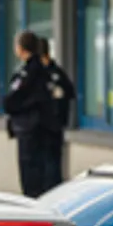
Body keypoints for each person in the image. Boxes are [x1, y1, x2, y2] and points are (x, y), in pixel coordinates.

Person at [3, 30, 54, 199]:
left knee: (31, 176)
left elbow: (13, 99)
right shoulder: (45, 70)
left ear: (21, 48)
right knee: (42, 173)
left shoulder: (29, 72)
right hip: (42, 128)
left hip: (30, 129)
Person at [38, 37, 75, 195]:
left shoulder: (55, 74)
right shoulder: (38, 74)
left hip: (52, 129)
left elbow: (68, 93)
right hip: (41, 129)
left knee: (52, 169)